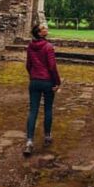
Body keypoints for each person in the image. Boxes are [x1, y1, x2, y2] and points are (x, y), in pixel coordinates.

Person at [23, 23, 61, 156]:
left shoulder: (30, 46)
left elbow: (28, 65)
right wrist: (57, 82)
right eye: (43, 28)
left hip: (34, 81)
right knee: (48, 109)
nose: (46, 29)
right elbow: (52, 66)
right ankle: (47, 136)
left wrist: (33, 76)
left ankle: (29, 141)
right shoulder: (48, 47)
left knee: (33, 110)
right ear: (39, 33)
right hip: (47, 81)